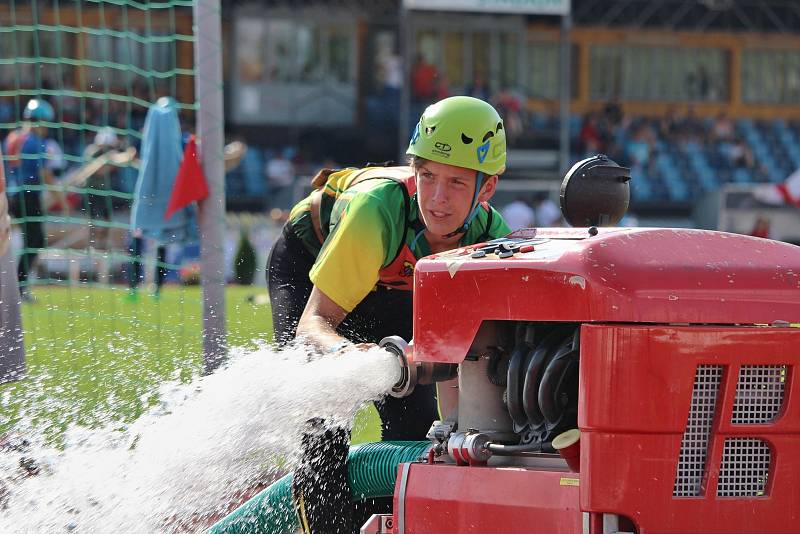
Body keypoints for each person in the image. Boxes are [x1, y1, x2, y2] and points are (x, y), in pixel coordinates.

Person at [267, 96, 511, 533]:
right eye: (428, 175)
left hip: (391, 284)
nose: (436, 199)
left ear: (487, 189)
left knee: (414, 426)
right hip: (310, 269)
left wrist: (458, 432)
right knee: (322, 418)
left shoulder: (492, 238)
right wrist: (345, 357)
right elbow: (313, 325)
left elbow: (463, 356)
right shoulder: (377, 208)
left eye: (457, 183)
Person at [3, 99, 56, 302]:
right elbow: (44, 173)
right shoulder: (35, 141)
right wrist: (62, 197)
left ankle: (16, 287)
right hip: (29, 195)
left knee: (21, 241)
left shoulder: (13, 137)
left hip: (12, 195)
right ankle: (19, 288)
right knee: (35, 241)